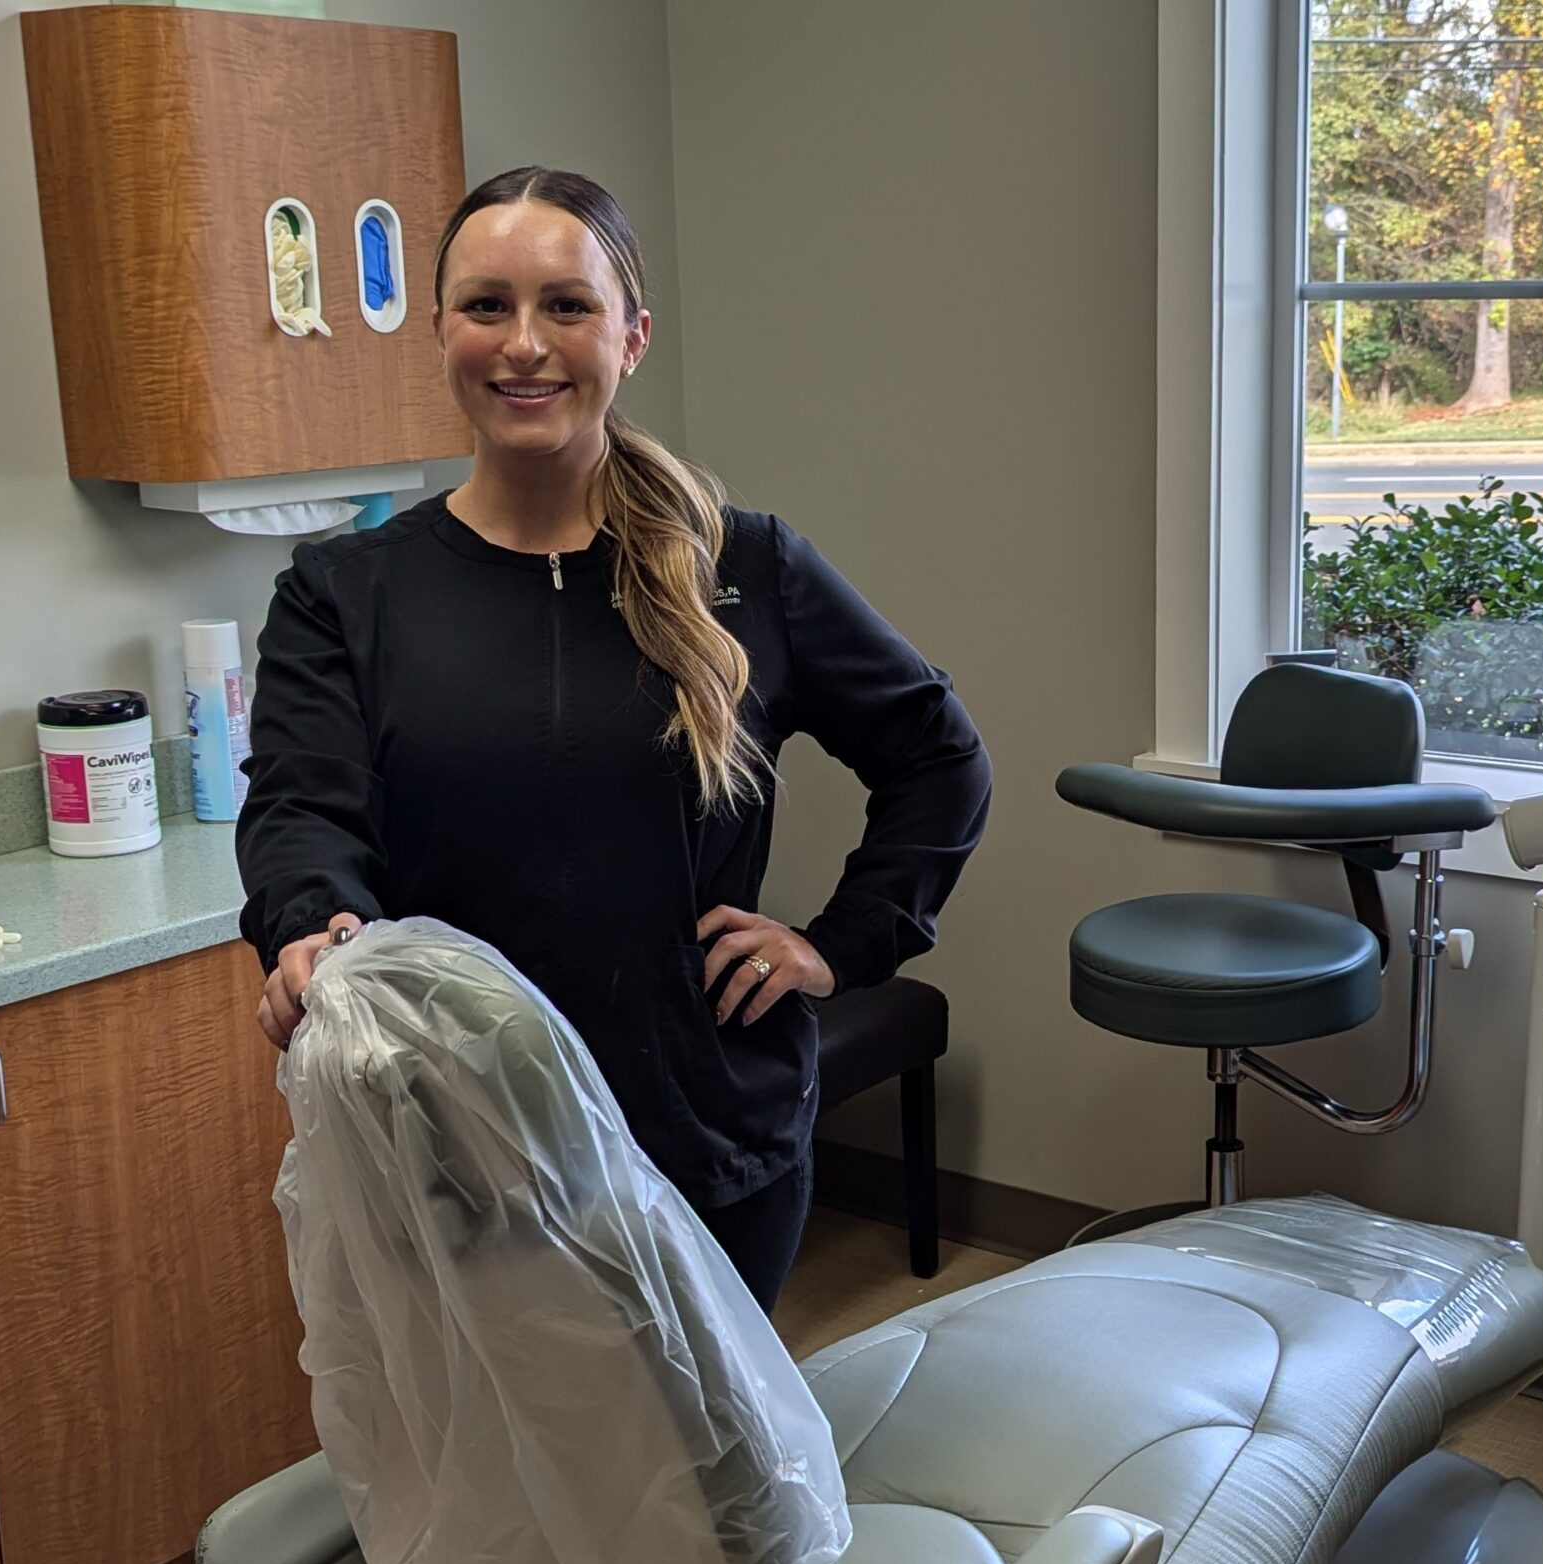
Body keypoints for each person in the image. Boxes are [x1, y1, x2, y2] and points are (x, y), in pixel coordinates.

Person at [235, 167, 991, 1311]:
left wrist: (842, 942)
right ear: (438, 332)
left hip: (704, 1143)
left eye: (567, 306)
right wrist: (315, 927)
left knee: (706, 1487)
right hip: (454, 1149)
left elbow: (938, 755)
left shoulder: (744, 567)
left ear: (631, 336)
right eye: (486, 305)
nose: (524, 344)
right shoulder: (344, 593)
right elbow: (303, 805)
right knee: (504, 1489)